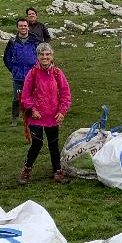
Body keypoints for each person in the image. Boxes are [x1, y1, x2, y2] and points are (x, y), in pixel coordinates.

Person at [18, 43, 72, 185]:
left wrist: (62, 111)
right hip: (36, 117)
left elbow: (66, 94)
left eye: (47, 54)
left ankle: (57, 172)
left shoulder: (57, 73)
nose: (45, 57)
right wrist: (32, 109)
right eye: (42, 54)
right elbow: (25, 96)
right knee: (37, 144)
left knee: (54, 145)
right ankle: (26, 170)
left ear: (52, 56)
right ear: (38, 56)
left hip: (53, 116)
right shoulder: (33, 73)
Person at [2, 18, 38, 125]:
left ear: (28, 26)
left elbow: (39, 56)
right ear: (17, 27)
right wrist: (13, 69)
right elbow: (6, 58)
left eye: (25, 25)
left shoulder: (34, 40)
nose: (23, 27)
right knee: (17, 97)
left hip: (32, 75)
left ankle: (31, 117)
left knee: (33, 97)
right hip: (18, 76)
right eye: (21, 26)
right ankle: (14, 118)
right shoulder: (12, 42)